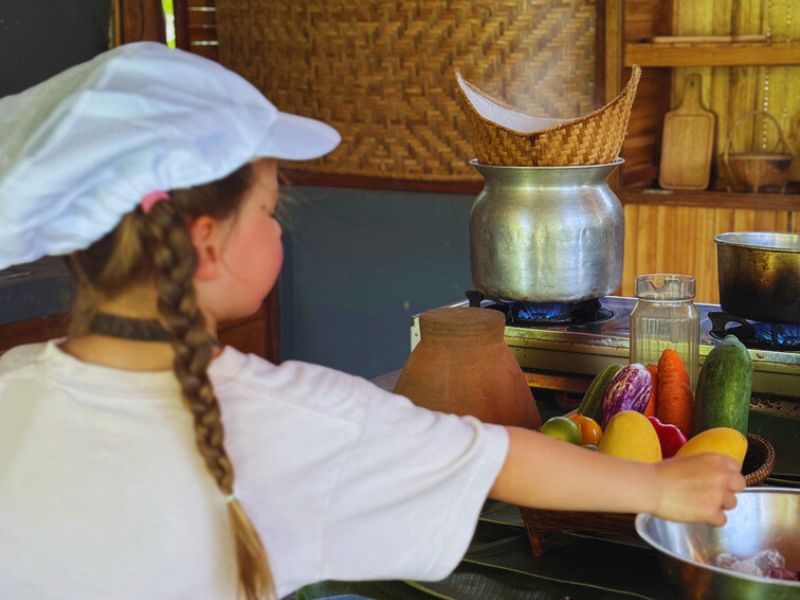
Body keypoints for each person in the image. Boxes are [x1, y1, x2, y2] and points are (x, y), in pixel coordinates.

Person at [0, 42, 744, 600]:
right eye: (268, 210)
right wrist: (662, 489)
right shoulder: (292, 414)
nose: (278, 229)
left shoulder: (11, 387)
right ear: (206, 245)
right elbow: (497, 459)